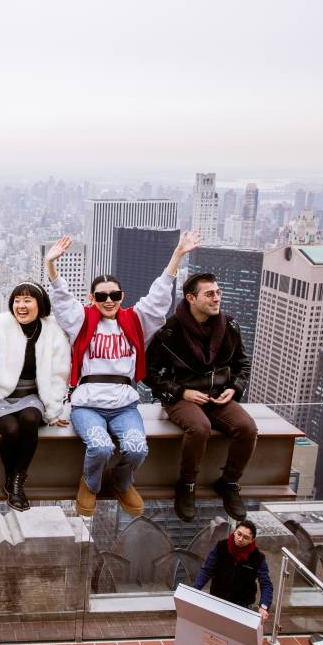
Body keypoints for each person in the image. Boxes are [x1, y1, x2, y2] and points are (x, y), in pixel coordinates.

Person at [45, 231, 200, 518]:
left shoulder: (135, 321)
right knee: (101, 447)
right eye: (102, 296)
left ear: (122, 296)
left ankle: (122, 481)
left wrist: (177, 255)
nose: (108, 301)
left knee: (137, 449)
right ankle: (90, 484)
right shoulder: (82, 320)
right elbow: (63, 300)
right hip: (87, 404)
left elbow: (158, 297)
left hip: (125, 405)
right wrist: (51, 265)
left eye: (114, 295)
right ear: (92, 298)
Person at [145, 272, 257, 522]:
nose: (216, 298)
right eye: (210, 294)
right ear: (191, 298)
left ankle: (228, 483)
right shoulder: (170, 332)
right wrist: (181, 392)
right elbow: (148, 372)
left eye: (218, 292)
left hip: (219, 396)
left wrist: (235, 388)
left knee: (247, 428)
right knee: (199, 427)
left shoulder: (229, 326)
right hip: (182, 396)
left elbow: (242, 363)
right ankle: (186, 485)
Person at [0, 282, 71, 512]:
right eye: (17, 300)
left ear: (39, 305)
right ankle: (9, 476)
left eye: (27, 300)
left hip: (32, 396)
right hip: (0, 396)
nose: (21, 305)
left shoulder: (52, 330)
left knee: (30, 419)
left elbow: (60, 374)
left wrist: (53, 411)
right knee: (11, 430)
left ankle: (19, 481)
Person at [192, 520, 272, 623]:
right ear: (234, 532)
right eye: (239, 534)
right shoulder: (221, 547)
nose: (240, 539)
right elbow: (207, 570)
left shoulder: (258, 557)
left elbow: (266, 584)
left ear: (252, 540)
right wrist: (195, 590)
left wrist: (264, 606)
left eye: (246, 537)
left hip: (242, 607)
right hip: (217, 601)